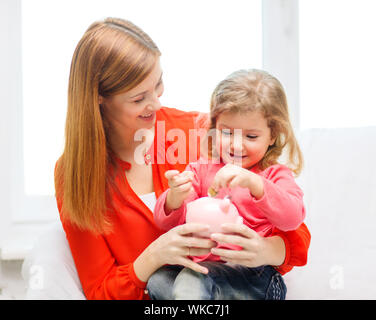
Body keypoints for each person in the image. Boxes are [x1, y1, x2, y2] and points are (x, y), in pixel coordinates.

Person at [54, 17, 311, 300]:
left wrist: (266, 250)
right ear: (99, 98)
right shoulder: (75, 174)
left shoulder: (200, 132)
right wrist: (152, 256)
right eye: (139, 98)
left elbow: (294, 229)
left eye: (158, 84)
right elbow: (101, 291)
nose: (156, 103)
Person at [149, 69, 306, 300]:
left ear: (273, 135)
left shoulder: (274, 175)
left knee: (192, 282)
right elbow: (164, 222)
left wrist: (256, 184)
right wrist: (174, 198)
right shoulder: (201, 170)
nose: (236, 146)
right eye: (227, 133)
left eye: (251, 137)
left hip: (256, 277)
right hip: (205, 272)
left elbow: (293, 217)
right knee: (159, 281)